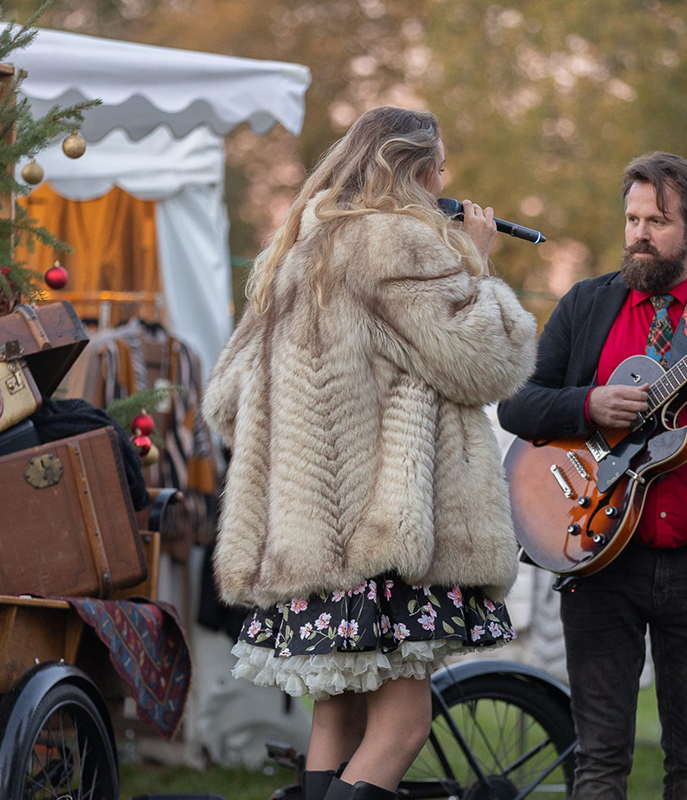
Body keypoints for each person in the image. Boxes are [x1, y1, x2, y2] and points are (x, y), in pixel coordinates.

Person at [202, 106, 537, 800]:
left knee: (338, 722)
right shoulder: (402, 247)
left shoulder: (293, 253)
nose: (445, 181)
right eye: (439, 168)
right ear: (416, 171)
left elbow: (228, 403)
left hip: (311, 544)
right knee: (402, 729)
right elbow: (488, 362)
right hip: (391, 535)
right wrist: (475, 256)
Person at [497, 151, 687, 799]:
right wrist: (589, 404)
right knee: (599, 757)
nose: (639, 233)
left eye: (658, 221)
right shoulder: (586, 306)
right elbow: (517, 402)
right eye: (632, 218)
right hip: (597, 554)